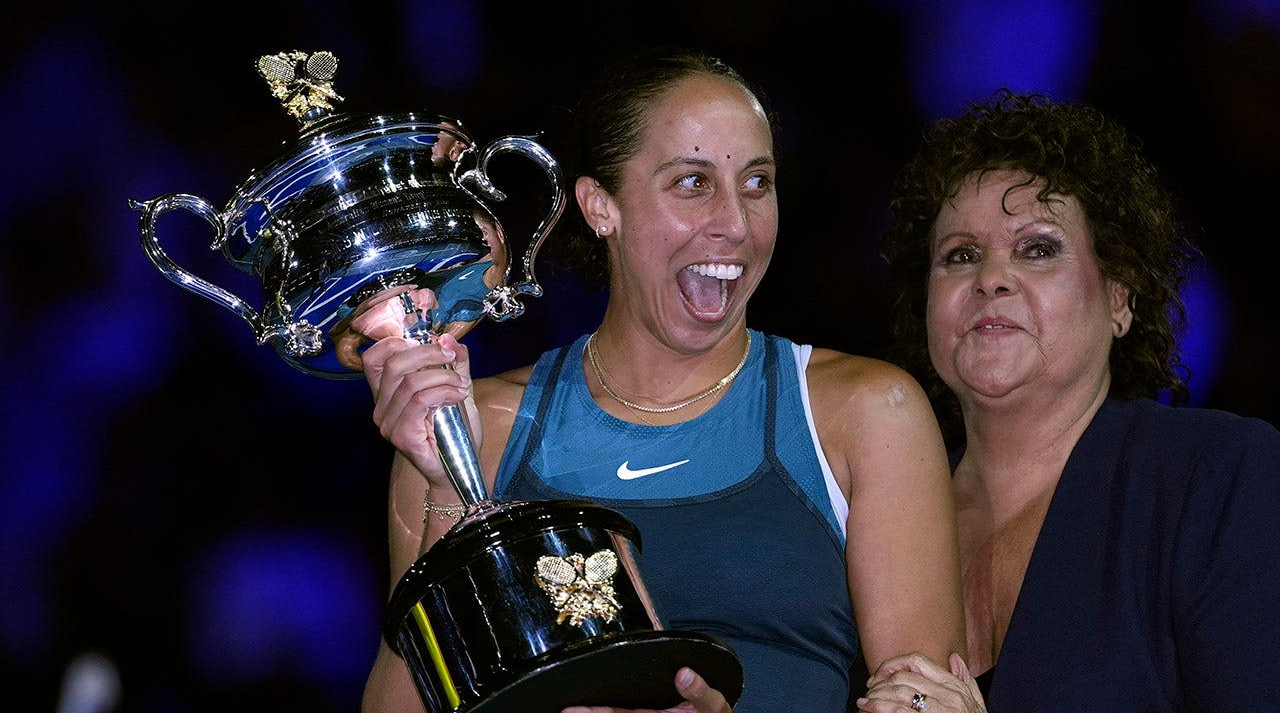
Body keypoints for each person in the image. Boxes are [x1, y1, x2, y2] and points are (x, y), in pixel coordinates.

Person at [354, 47, 967, 712]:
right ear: (599, 206)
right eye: (692, 183)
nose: (735, 224)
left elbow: (928, 700)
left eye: (757, 183)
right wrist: (450, 485)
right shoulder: (475, 431)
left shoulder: (868, 413)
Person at [857, 90, 1280, 712]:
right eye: (960, 256)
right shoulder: (866, 513)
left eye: (1038, 248)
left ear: (1119, 299)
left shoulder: (1220, 477)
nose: (990, 277)